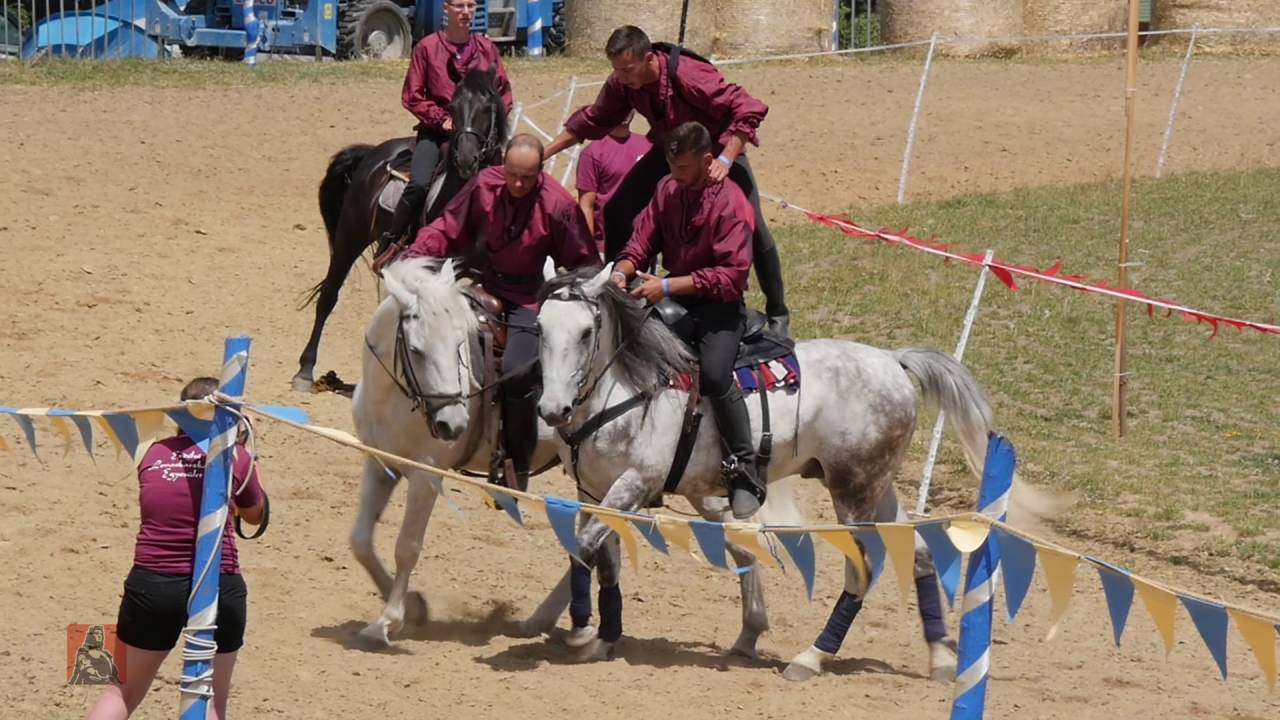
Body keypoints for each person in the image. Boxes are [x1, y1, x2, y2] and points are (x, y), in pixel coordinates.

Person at [546, 24, 791, 338]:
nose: (621, 77)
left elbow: (747, 107)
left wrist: (726, 159)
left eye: (627, 69)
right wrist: (545, 151)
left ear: (649, 59)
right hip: (669, 151)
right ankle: (625, 294)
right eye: (616, 70)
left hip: (716, 150)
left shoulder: (688, 74)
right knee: (618, 210)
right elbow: (595, 118)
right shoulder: (624, 84)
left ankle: (778, 313)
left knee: (753, 226)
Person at [398, 133, 598, 490]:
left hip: (529, 299)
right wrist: (414, 257)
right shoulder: (483, 185)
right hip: (482, 285)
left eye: (528, 177)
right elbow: (448, 227)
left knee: (517, 373)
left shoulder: (558, 205)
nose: (519, 184)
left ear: (541, 172)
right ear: (503, 167)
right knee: (430, 339)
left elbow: (585, 262)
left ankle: (516, 465)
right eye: (513, 175)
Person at [610, 121, 766, 520]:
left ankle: (744, 470)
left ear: (707, 161)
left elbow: (732, 276)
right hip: (673, 300)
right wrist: (621, 271)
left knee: (714, 374)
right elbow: (641, 240)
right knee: (633, 355)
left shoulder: (732, 203)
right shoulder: (667, 190)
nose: (675, 176)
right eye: (671, 167)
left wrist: (666, 286)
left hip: (718, 308)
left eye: (682, 168)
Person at [86, 377, 266, 720]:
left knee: (120, 689)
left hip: (153, 582)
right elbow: (256, 516)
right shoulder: (237, 458)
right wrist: (248, 451)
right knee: (212, 700)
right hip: (219, 582)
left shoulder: (153, 452)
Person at [384, 0, 515, 249]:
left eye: (470, 6)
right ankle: (395, 240)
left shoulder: (488, 50)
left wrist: (489, 125)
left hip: (479, 137)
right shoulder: (427, 47)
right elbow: (412, 95)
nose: (465, 12)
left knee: (513, 184)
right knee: (419, 184)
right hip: (436, 134)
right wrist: (441, 118)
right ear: (445, 8)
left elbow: (504, 95)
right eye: (458, 6)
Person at [574, 111, 652, 255]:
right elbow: (586, 205)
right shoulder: (593, 152)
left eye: (628, 106)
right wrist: (587, 251)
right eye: (620, 107)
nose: (624, 110)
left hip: (643, 247)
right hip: (607, 248)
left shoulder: (650, 147)